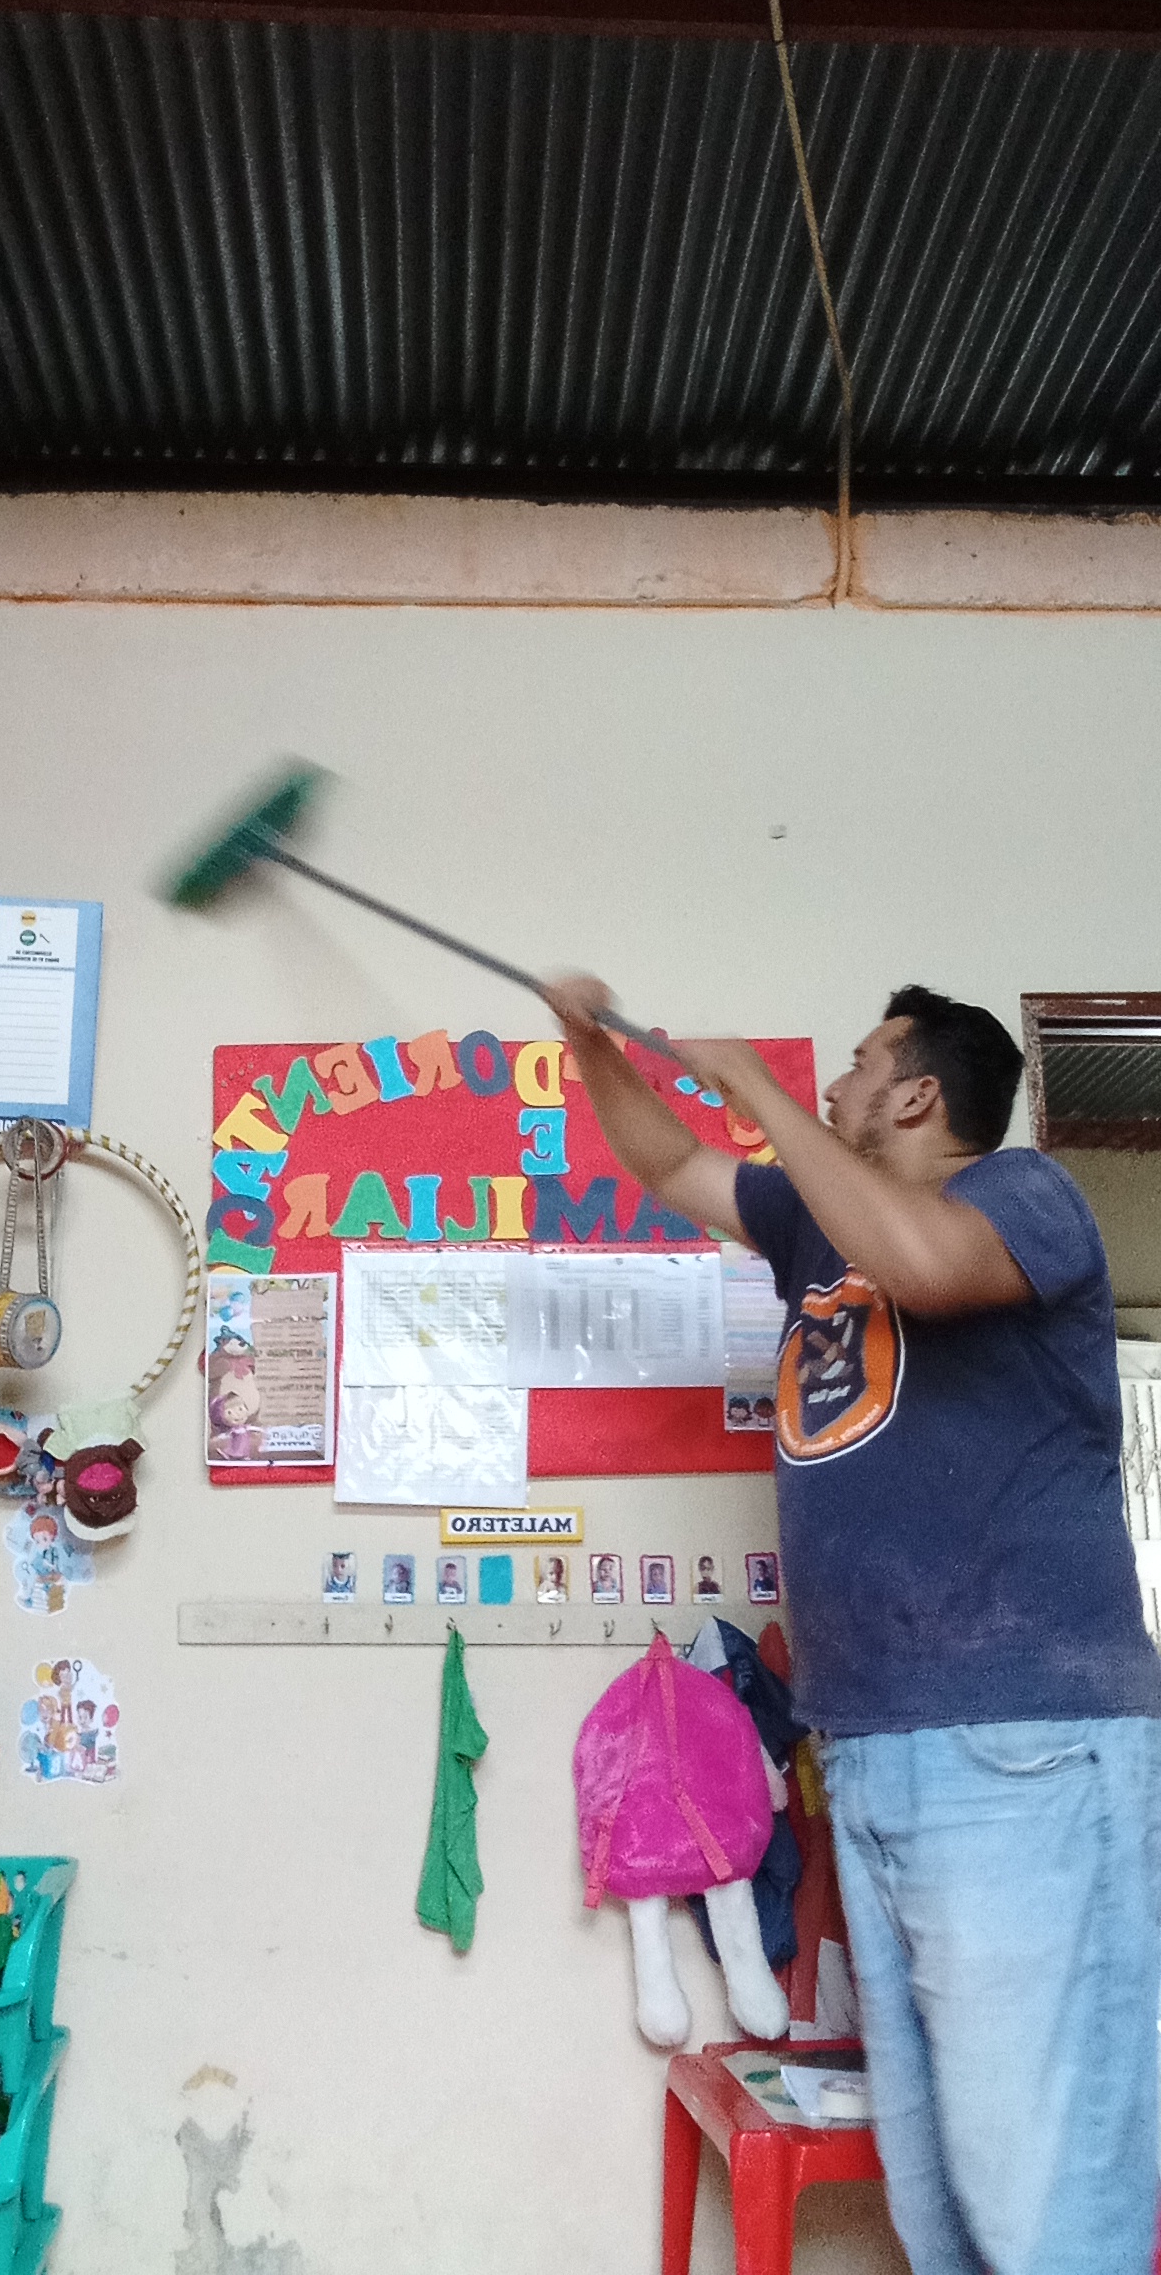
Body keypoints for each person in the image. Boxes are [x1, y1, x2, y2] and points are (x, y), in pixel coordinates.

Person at [547, 974, 1161, 2275]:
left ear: (919, 1094)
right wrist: (588, 1043)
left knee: (1046, 2204)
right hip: (877, 1748)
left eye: (858, 1064)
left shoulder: (1022, 1194)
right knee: (940, 2205)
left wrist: (756, 1087)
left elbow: (926, 1270)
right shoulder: (814, 1227)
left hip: (1024, 1746)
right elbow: (667, 1164)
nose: (832, 1085)